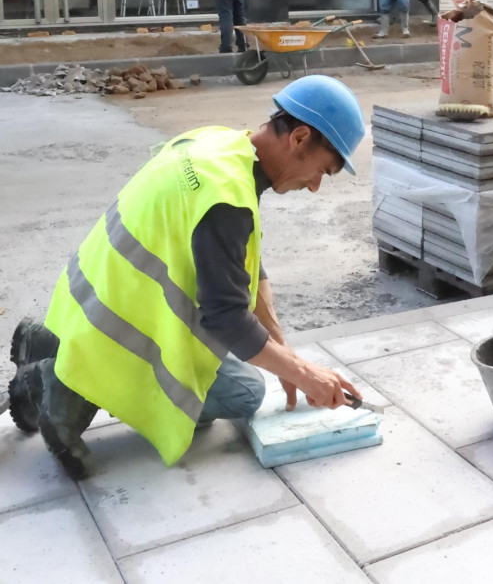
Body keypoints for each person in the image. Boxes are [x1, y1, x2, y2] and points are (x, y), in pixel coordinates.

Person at [7, 76, 366, 480]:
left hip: (86, 304)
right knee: (246, 392)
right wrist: (305, 374)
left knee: (244, 369)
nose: (316, 186)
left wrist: (288, 358)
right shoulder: (227, 199)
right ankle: (60, 387)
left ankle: (51, 345)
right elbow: (228, 318)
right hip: (121, 333)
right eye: (324, 170)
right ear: (299, 138)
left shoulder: (216, 144)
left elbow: (244, 263)